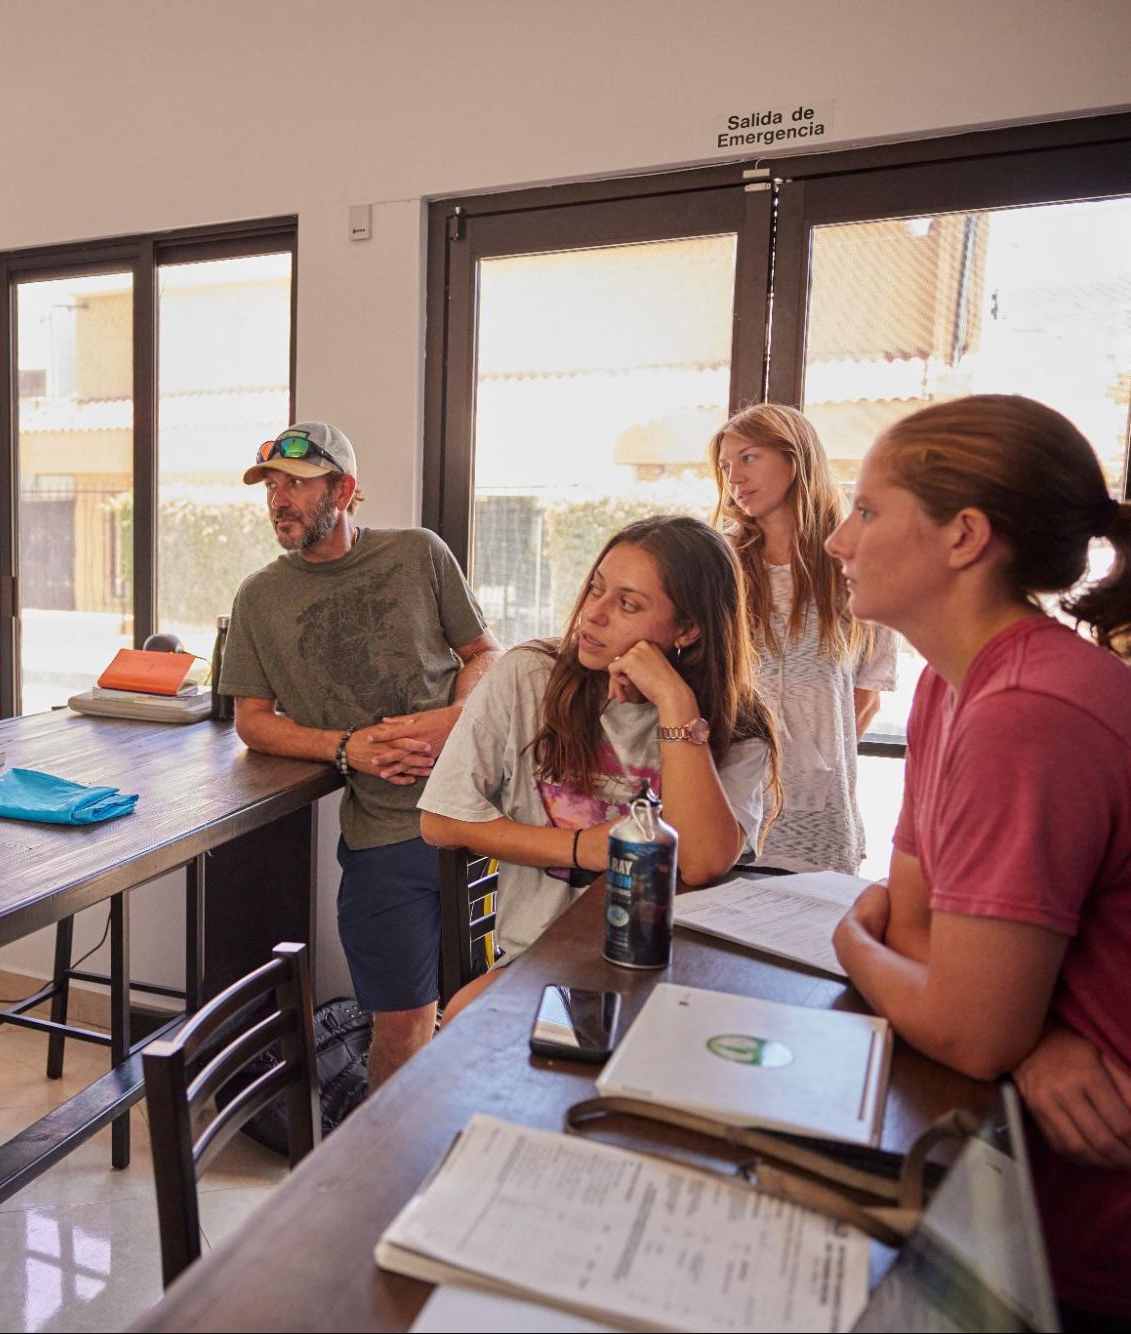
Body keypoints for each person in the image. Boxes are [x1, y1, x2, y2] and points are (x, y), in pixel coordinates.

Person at [825, 395, 1131, 1325]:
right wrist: (1020, 1034)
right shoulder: (944, 684)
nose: (840, 540)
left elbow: (962, 1024)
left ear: (963, 536)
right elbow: (918, 928)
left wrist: (848, 940)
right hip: (1015, 1160)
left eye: (869, 511)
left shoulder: (1031, 712)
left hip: (1093, 1206)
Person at [218, 421, 501, 1088]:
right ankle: (380, 1177)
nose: (278, 500)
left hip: (485, 820)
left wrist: (454, 721)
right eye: (270, 487)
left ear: (342, 490)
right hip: (385, 838)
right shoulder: (260, 598)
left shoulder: (418, 554)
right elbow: (252, 723)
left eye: (296, 484)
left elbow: (483, 653)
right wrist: (347, 748)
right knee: (401, 1026)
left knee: (491, 1015)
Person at [419, 516, 779, 1015]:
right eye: (596, 590)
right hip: (545, 962)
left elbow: (699, 862)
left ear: (689, 628)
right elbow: (441, 820)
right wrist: (581, 847)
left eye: (628, 604)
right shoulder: (529, 676)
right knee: (464, 1021)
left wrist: (675, 703)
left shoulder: (734, 720)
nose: (593, 614)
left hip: (684, 972)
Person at [712, 403, 897, 873]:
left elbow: (866, 697)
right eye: (726, 466)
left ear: (795, 459)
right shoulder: (719, 562)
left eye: (749, 458)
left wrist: (811, 765)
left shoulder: (857, 563)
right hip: (726, 802)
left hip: (820, 816)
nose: (734, 477)